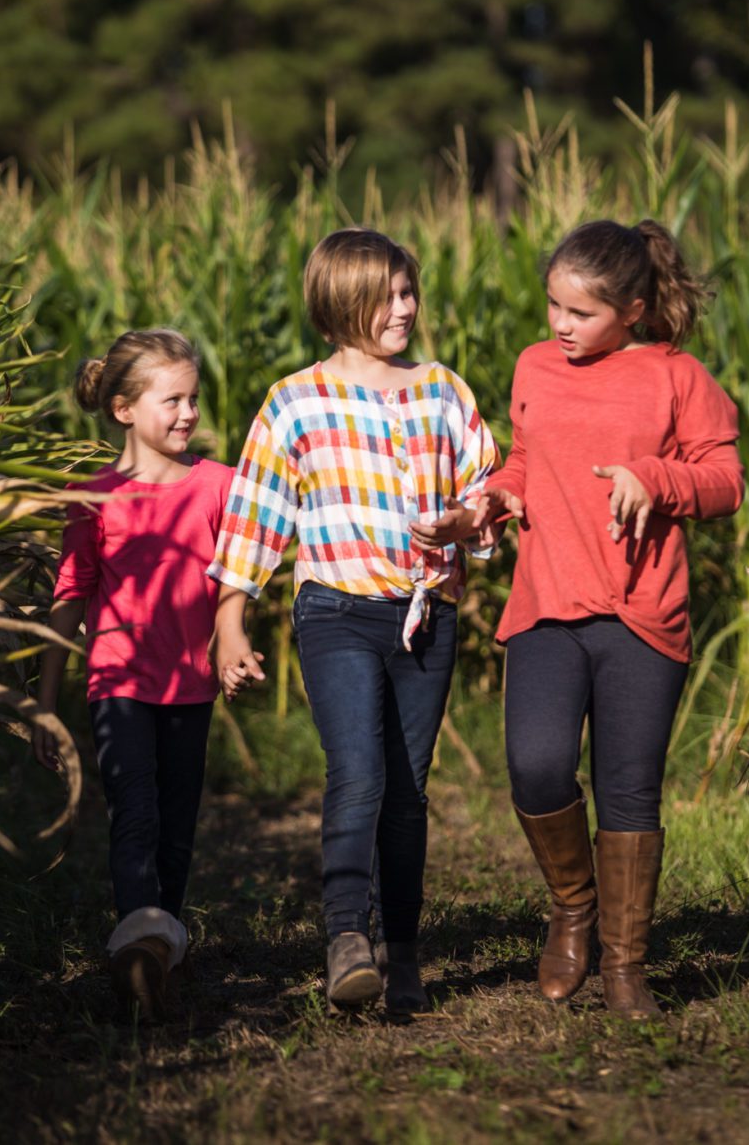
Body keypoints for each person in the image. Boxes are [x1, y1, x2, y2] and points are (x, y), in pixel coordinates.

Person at [209, 228, 498, 1012]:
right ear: (343, 302)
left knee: (407, 793)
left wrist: (464, 524)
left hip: (423, 615)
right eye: (388, 296)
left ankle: (400, 952)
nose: (405, 308)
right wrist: (230, 619)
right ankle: (345, 938)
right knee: (359, 774)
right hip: (334, 609)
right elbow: (256, 514)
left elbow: (487, 489)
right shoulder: (295, 400)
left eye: (410, 292)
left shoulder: (443, 389)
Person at [483, 219, 744, 1018]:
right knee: (536, 765)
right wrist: (498, 491)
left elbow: (725, 481)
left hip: (642, 615)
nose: (560, 326)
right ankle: (573, 909)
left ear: (631, 308)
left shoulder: (677, 376)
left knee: (630, 792)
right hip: (546, 604)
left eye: (581, 313)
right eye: (553, 306)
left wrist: (653, 478)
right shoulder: (535, 365)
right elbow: (529, 457)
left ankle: (627, 967)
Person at [35, 328, 233, 1019]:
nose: (187, 414)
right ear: (123, 409)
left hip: (191, 686)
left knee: (177, 829)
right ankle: (137, 954)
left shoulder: (219, 486)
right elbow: (71, 592)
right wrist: (46, 698)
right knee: (136, 818)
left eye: (193, 400)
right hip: (116, 682)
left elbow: (239, 578)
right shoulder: (93, 495)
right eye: (171, 400)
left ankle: (159, 955)